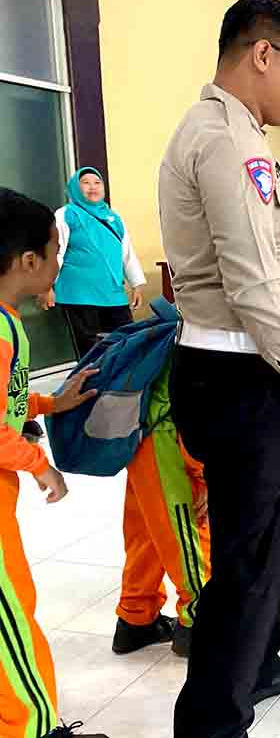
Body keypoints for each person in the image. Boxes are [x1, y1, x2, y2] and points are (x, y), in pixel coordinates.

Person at [158, 0, 280, 737]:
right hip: (243, 375)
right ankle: (211, 719)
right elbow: (252, 280)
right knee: (246, 555)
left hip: (248, 367)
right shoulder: (228, 142)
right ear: (261, 54)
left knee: (271, 531)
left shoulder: (239, 132)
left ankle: (259, 665)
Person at [0, 187, 106, 738]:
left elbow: (6, 402)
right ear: (28, 261)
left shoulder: (7, 319)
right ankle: (36, 729)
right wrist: (39, 462)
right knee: (11, 620)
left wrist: (49, 402)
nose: (61, 264)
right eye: (56, 252)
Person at [114, 360, 210, 660]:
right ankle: (199, 626)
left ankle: (135, 618)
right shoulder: (207, 324)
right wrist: (206, 473)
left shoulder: (170, 327)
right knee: (188, 536)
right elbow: (201, 405)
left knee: (147, 534)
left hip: (144, 433)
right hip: (171, 438)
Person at [41, 167, 146, 358]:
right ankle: (91, 387)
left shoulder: (114, 218)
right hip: (79, 296)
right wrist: (46, 286)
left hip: (113, 294)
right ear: (75, 188)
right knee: (90, 351)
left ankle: (117, 385)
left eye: (97, 183)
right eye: (86, 183)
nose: (92, 187)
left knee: (126, 342)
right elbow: (56, 252)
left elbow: (126, 253)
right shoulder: (66, 214)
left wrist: (137, 284)